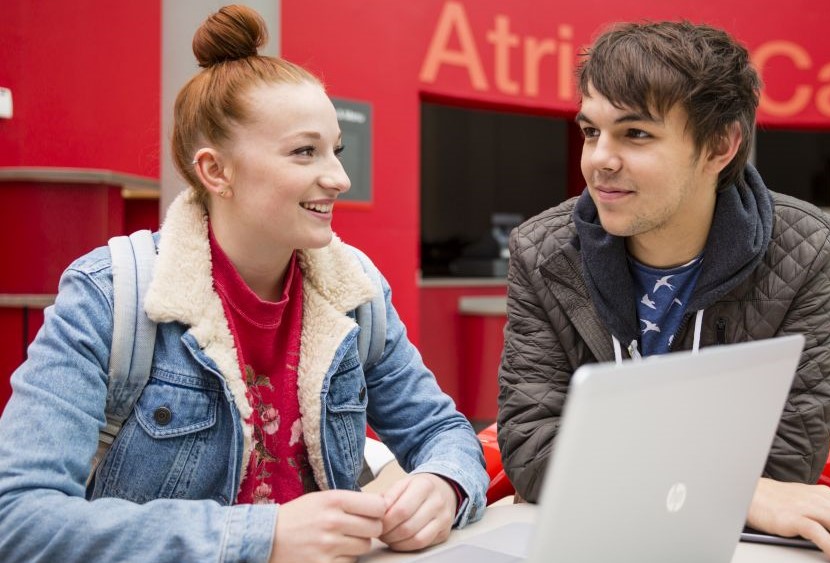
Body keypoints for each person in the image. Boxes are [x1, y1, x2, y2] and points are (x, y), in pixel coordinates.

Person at [0, 5, 486, 562]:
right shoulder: (109, 296)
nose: (339, 177)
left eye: (335, 150)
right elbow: (19, 518)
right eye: (305, 151)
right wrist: (261, 537)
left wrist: (445, 485)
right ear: (215, 171)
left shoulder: (356, 292)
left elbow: (443, 430)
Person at [497, 20, 830, 563]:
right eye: (592, 130)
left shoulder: (802, 249)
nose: (600, 158)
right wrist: (738, 489)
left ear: (719, 146)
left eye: (636, 134)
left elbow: (790, 461)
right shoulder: (543, 252)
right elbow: (533, 452)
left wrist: (639, 472)